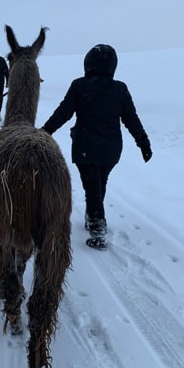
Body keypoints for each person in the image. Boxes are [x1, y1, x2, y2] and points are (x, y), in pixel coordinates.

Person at [40, 44, 152, 250]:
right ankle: (93, 213)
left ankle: (98, 227)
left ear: (88, 63)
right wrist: (143, 143)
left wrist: (44, 132)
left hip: (86, 146)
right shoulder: (120, 89)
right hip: (111, 148)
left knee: (92, 184)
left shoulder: (79, 85)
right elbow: (132, 119)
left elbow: (63, 113)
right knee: (99, 181)